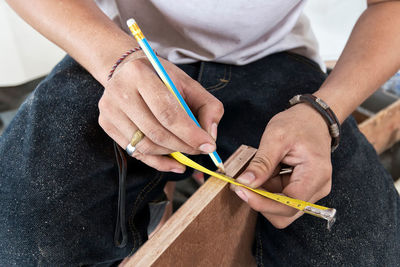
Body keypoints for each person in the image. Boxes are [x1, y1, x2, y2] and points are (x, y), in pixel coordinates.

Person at [1, 0, 399, 265]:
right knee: (17, 246)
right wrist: (116, 60)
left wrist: (323, 110)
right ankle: (151, 209)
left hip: (274, 56)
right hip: (119, 54)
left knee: (367, 255)